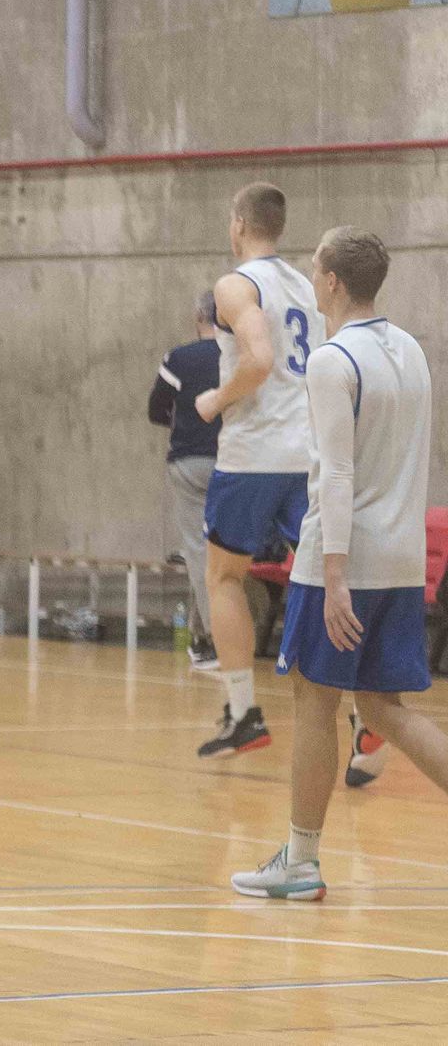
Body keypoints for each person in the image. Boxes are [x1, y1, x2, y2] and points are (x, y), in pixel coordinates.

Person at [231, 226, 443, 900]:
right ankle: (299, 858)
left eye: (315, 264)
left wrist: (335, 575)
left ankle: (300, 860)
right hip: (403, 557)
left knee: (314, 702)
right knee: (382, 708)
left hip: (343, 558)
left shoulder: (331, 360)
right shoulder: (410, 349)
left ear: (331, 281)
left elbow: (340, 474)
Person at [194, 182, 325, 758]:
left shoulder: (235, 284)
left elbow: (261, 360)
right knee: (327, 578)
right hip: (311, 451)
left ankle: (244, 713)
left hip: (254, 454)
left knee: (224, 576)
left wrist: (216, 401)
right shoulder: (306, 285)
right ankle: (367, 708)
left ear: (240, 224)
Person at [148, 290, 222, 669]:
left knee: (199, 551)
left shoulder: (178, 358)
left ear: (198, 317)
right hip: (233, 463)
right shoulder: (240, 358)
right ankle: (203, 637)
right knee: (223, 552)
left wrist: (182, 421)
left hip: (190, 461)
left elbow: (155, 409)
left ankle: (215, 639)